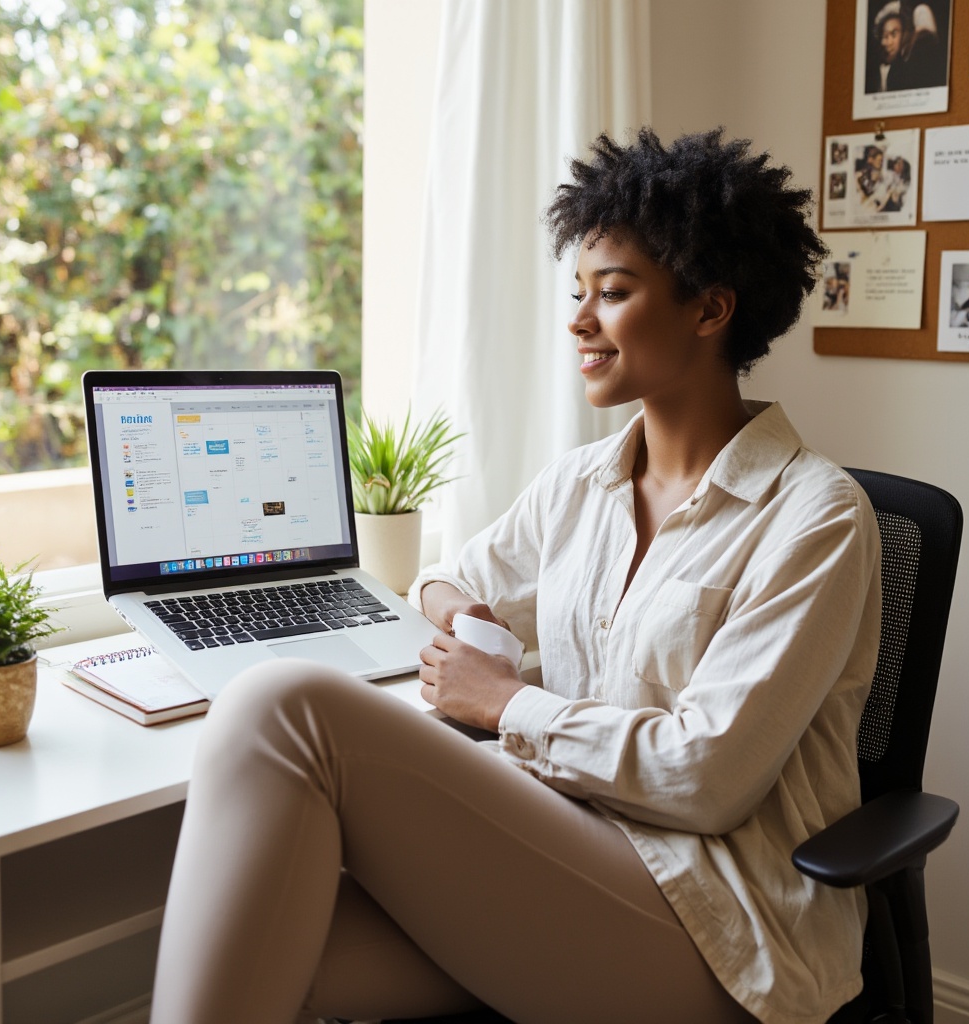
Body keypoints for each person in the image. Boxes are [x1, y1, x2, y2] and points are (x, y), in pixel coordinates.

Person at [149, 128, 882, 1024]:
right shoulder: (580, 483)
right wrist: (462, 609)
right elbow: (444, 579)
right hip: (569, 849)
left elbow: (706, 779)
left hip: (725, 928)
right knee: (262, 936)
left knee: (282, 706)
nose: (578, 319)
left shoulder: (817, 516)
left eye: (613, 294)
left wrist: (504, 704)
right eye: (578, 292)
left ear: (710, 310)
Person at [865, 0, 944, 93]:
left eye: (894, 34)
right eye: (885, 36)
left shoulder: (908, 69)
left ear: (904, 35)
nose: (888, 42)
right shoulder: (874, 72)